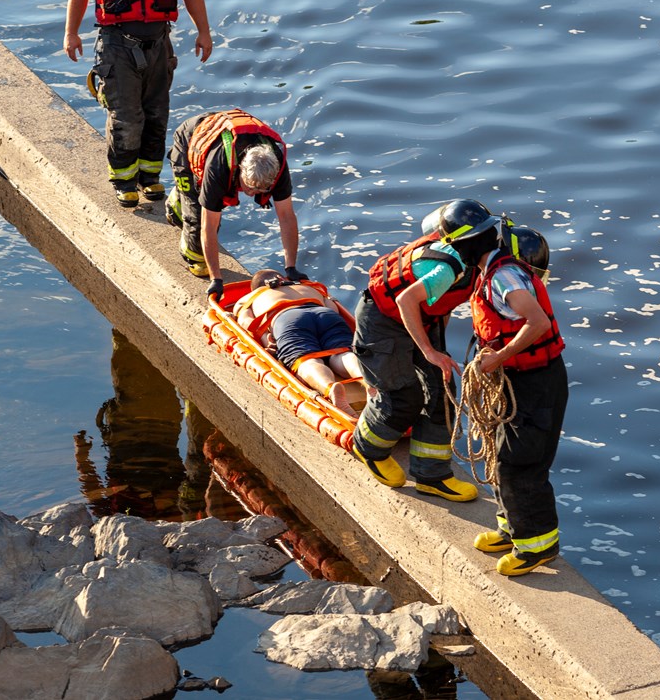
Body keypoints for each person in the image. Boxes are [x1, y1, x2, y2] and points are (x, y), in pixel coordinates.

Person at [63, 0, 212, 209]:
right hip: (117, 46)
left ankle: (150, 177)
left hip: (158, 44)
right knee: (127, 117)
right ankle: (124, 180)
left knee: (156, 115)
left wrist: (204, 32)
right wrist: (71, 33)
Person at [348, 199, 501, 503]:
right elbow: (406, 301)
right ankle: (368, 447)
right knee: (403, 396)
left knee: (442, 392)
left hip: (422, 318)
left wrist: (438, 346)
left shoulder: (480, 262)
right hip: (383, 322)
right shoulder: (448, 268)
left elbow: (441, 304)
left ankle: (432, 476)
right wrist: (430, 352)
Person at [467, 224, 568, 576]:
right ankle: (510, 528)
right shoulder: (493, 274)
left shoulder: (504, 278)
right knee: (500, 455)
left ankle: (537, 546)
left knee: (521, 463)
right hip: (515, 379)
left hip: (535, 384)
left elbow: (536, 323)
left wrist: (497, 356)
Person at [166, 108, 303, 296]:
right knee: (198, 249)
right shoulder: (219, 167)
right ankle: (178, 200)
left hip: (229, 133)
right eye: (248, 188)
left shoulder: (277, 164)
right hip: (190, 141)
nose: (251, 194)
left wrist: (291, 268)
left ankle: (185, 198)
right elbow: (209, 227)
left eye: (259, 191)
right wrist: (216, 278)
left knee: (205, 210)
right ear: (240, 170)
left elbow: (287, 216)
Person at [233, 269, 370, 414]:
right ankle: (367, 381)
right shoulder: (310, 286)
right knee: (343, 352)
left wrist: (265, 338)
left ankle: (329, 387)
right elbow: (333, 308)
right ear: (281, 278)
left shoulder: (251, 297)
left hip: (287, 317)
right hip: (323, 313)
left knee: (306, 360)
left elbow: (245, 321)